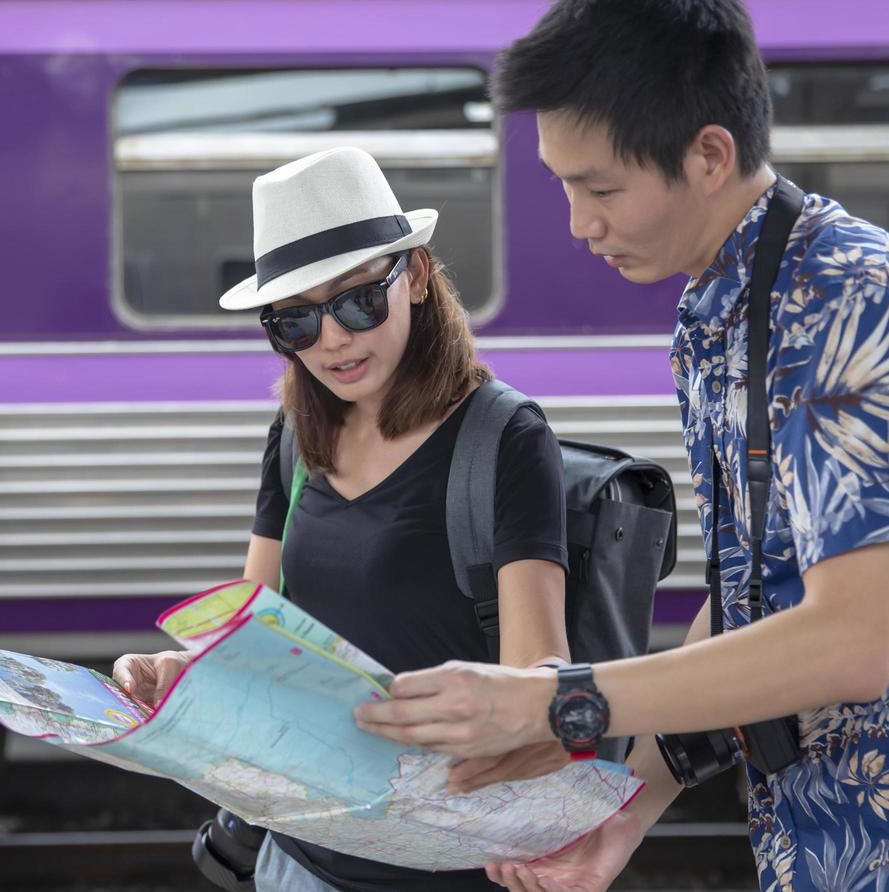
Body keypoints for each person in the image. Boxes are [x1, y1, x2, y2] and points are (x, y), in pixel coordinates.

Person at [353, 0, 889, 892]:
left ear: (708, 155)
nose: (579, 224)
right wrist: (629, 805)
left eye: (601, 188)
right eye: (563, 187)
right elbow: (756, 595)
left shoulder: (860, 296)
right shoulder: (719, 311)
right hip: (819, 837)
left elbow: (845, 644)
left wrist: (557, 704)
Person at [112, 145, 573, 891]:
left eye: (358, 300)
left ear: (417, 276)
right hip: (299, 859)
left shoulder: (503, 436)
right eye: (294, 319)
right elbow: (254, 636)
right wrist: (177, 676)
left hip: (445, 864)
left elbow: (538, 674)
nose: (332, 339)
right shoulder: (295, 432)